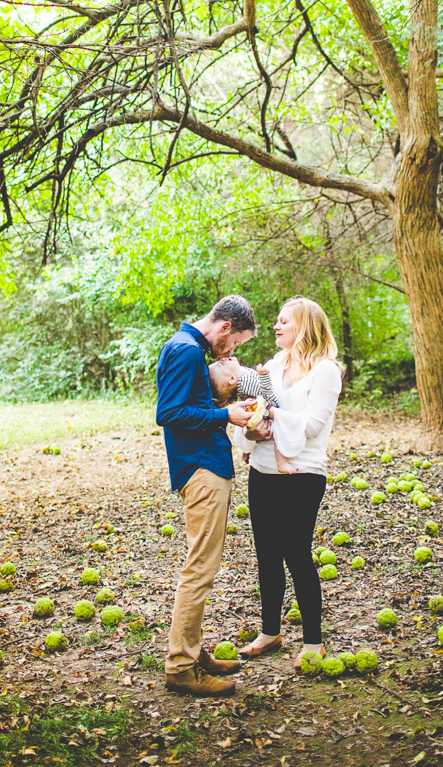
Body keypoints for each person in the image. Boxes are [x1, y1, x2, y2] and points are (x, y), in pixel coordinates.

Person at [155, 295, 257, 697]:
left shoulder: (190, 349)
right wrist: (225, 415)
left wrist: (228, 403)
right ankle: (180, 667)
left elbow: (191, 406)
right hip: (200, 469)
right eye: (236, 345)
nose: (232, 352)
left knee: (203, 567)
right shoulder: (184, 350)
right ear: (226, 329)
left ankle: (194, 654)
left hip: (206, 463)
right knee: (199, 569)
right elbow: (170, 413)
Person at [236, 297, 343, 671]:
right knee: (266, 553)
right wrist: (255, 422)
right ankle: (270, 632)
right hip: (263, 469)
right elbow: (254, 405)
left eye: (284, 322)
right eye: (276, 321)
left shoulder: (325, 371)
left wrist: (270, 417)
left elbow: (313, 426)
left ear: (306, 327)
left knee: (296, 553)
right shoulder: (272, 366)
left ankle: (313, 642)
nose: (276, 327)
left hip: (303, 472)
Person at [208, 359, 295, 472]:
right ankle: (281, 462)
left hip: (262, 410)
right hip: (269, 407)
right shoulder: (245, 382)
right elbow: (267, 393)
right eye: (222, 364)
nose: (223, 359)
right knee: (278, 432)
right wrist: (264, 376)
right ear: (232, 379)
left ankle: (248, 451)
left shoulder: (242, 376)